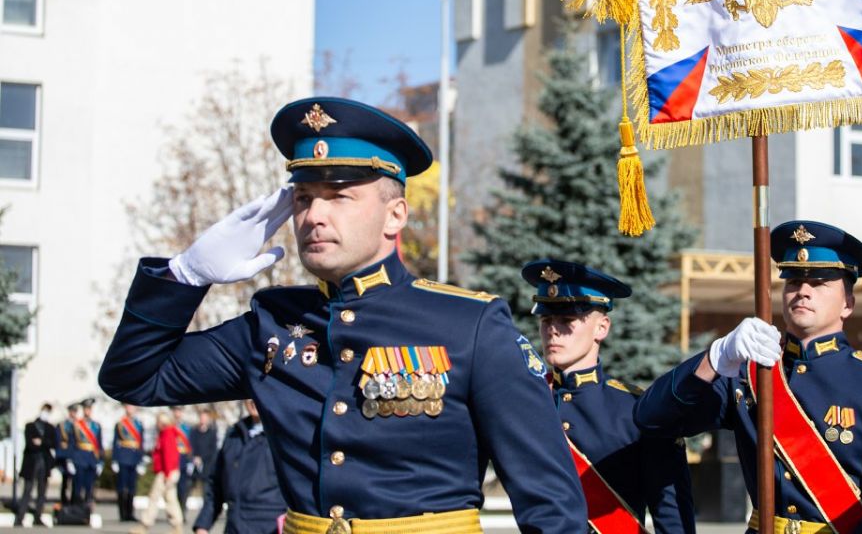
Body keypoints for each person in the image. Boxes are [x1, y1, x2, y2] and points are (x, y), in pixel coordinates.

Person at [99, 97, 587, 533]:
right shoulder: (272, 323)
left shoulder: (471, 325)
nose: (314, 216)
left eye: (340, 197)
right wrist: (185, 275)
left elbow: (550, 505)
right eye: (305, 198)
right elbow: (134, 378)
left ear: (395, 215)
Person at [635, 220, 862, 534]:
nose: (803, 292)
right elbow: (653, 418)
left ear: (848, 304)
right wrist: (715, 356)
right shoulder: (747, 374)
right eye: (794, 281)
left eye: (820, 283)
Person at [520, 258, 695, 533]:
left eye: (567, 320)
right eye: (546, 319)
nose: (552, 329)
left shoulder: (637, 410)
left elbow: (671, 515)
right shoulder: (526, 402)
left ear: (602, 327)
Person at [193, 400, 285, 534]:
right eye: (249, 394)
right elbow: (216, 485)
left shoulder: (284, 437)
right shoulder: (234, 434)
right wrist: (203, 524)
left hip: (270, 527)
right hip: (234, 526)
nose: (253, 399)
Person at [134, 412, 184, 534]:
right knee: (171, 499)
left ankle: (145, 525)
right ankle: (177, 526)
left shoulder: (166, 434)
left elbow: (168, 455)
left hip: (166, 472)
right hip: (170, 471)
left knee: (154, 498)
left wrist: (167, 474)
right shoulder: (168, 433)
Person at [14, 403, 56, 526]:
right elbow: (30, 444)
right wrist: (43, 443)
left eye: (48, 411)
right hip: (31, 463)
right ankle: (19, 518)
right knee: (27, 491)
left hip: (44, 462)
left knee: (42, 492)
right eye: (45, 411)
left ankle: (38, 517)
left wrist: (41, 441)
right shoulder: (30, 426)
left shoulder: (50, 428)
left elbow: (52, 444)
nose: (46, 413)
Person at [112, 404, 146, 522]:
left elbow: (141, 443)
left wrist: (141, 460)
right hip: (122, 457)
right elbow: (115, 442)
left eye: (132, 406)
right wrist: (114, 459)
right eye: (128, 406)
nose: (130, 408)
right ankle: (122, 514)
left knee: (132, 487)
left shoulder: (139, 424)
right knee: (122, 487)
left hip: (134, 458)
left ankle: (130, 513)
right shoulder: (120, 424)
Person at [70, 398, 103, 506]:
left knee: (90, 486)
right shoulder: (77, 425)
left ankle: (87, 509)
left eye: (89, 409)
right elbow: (72, 443)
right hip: (79, 457)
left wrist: (100, 461)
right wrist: (70, 460)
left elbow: (99, 444)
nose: (87, 411)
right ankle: (76, 508)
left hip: (92, 458)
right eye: (86, 409)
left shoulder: (96, 425)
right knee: (78, 485)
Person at [188, 408, 219, 516]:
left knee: (206, 491)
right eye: (201, 417)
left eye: (205, 417)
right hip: (193, 465)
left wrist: (203, 459)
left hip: (206, 466)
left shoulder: (212, 432)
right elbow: (190, 446)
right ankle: (182, 514)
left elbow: (213, 450)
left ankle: (206, 514)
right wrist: (194, 457)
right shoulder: (194, 431)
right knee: (187, 487)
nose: (203, 419)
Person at [171, 407, 194, 514]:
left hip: (184, 459)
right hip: (172, 459)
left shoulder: (186, 427)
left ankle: (182, 511)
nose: (177, 413)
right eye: (175, 411)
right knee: (172, 488)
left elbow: (190, 445)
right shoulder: (170, 426)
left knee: (183, 487)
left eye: (179, 411)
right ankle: (173, 512)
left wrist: (190, 461)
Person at [55, 403, 79, 505]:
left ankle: (74, 502)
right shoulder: (62, 425)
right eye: (72, 411)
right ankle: (64, 501)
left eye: (75, 411)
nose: (73, 413)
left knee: (75, 482)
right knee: (65, 481)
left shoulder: (78, 424)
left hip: (76, 457)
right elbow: (58, 441)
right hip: (65, 457)